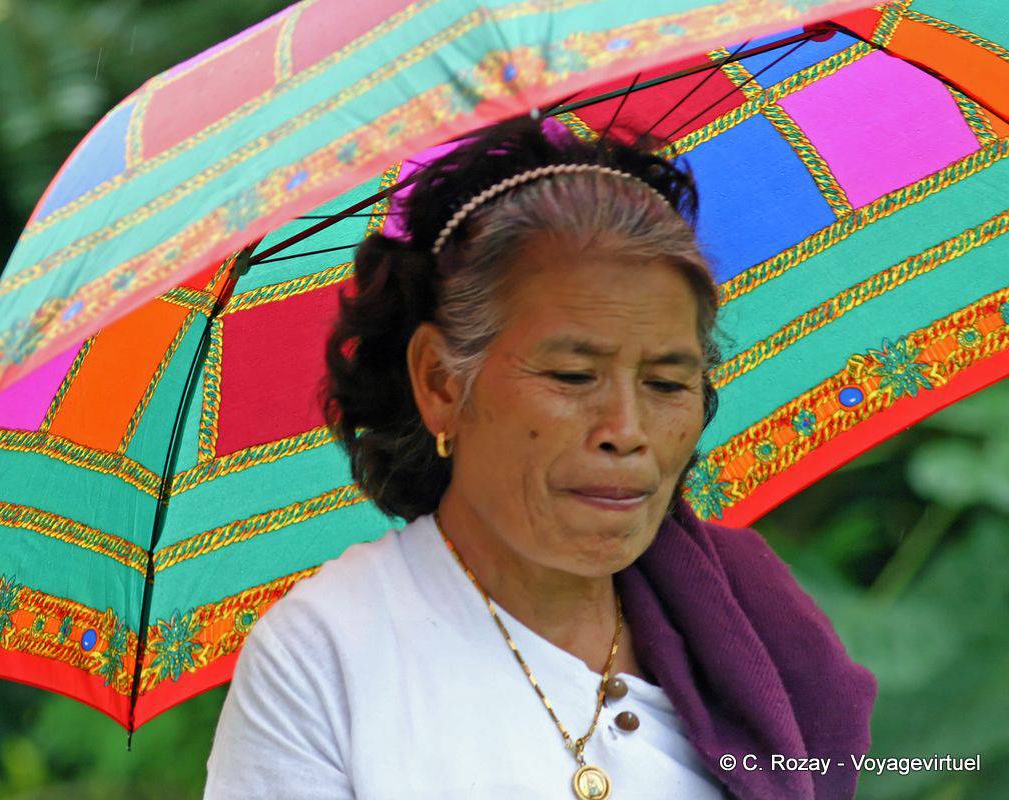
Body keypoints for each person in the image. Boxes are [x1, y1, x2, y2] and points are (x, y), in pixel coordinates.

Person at [202, 113, 877, 799]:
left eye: (667, 384)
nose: (626, 430)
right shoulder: (325, 657)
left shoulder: (754, 627)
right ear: (441, 383)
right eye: (572, 377)